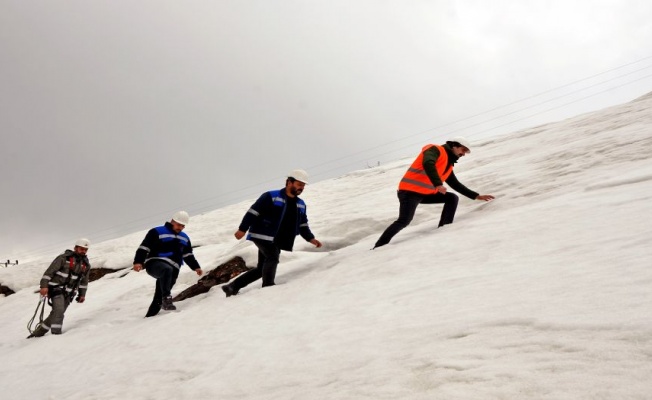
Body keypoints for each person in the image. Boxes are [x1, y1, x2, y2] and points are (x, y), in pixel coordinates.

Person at [374, 137, 495, 248]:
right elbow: (428, 163)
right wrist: (438, 184)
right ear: (454, 145)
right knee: (404, 220)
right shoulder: (435, 149)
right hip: (409, 192)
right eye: (463, 150)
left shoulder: (448, 164)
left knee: (451, 198)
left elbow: (455, 184)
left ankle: (444, 229)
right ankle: (379, 246)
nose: (463, 154)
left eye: (465, 152)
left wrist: (476, 196)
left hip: (425, 194)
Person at [222, 169, 322, 297]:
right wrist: (242, 229)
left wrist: (310, 238)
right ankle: (268, 286)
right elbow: (253, 212)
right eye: (299, 184)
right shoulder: (271, 196)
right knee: (272, 256)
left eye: (303, 185)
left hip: (277, 239)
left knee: (261, 268)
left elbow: (303, 224)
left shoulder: (300, 204)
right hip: (261, 234)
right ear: (289, 182)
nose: (301, 188)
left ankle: (232, 287)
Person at [133, 211, 203, 316]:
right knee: (166, 270)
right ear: (172, 221)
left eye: (183, 226)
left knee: (159, 296)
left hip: (174, 269)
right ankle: (167, 298)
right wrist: (138, 261)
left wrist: (196, 267)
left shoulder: (184, 237)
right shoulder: (157, 231)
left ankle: (150, 317)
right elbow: (144, 247)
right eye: (179, 224)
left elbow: (188, 255)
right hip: (155, 263)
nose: (180, 228)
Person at [28, 238, 92, 338]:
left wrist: (82, 294)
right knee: (59, 311)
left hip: (69, 293)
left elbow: (84, 282)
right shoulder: (63, 258)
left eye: (85, 249)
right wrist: (44, 286)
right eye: (81, 249)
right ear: (75, 248)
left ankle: (37, 334)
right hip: (56, 289)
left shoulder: (86, 265)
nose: (83, 251)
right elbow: (48, 273)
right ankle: (56, 336)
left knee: (57, 313)